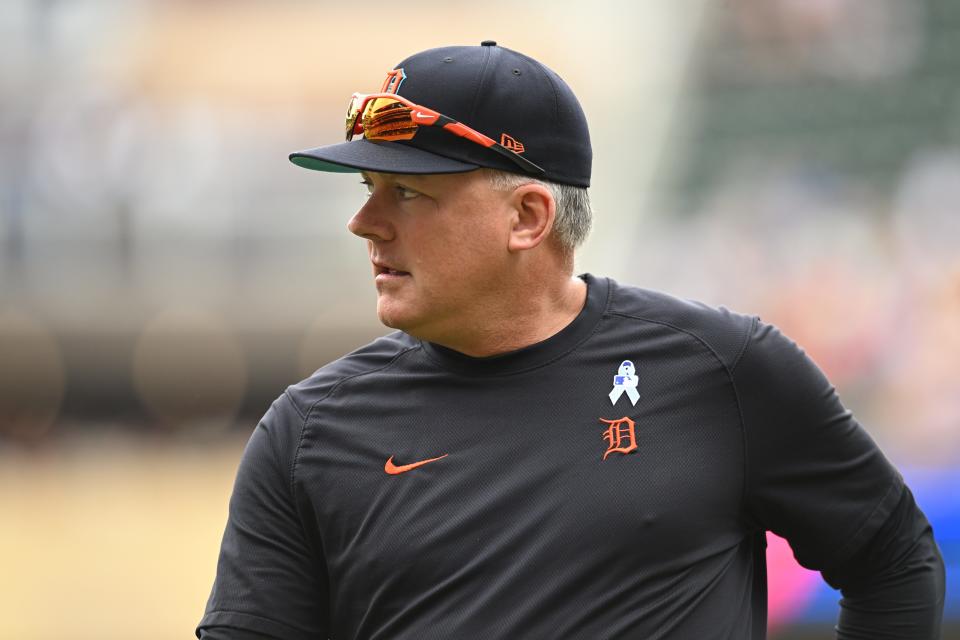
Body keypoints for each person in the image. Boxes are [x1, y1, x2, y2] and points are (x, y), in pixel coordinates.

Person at [197, 42, 945, 639]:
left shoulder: (725, 369)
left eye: (408, 194)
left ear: (527, 217)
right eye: (368, 191)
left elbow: (895, 561)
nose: (365, 224)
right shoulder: (306, 432)